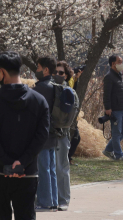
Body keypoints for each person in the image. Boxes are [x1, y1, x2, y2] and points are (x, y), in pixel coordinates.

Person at [0, 51, 49, 220]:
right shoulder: (40, 101)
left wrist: (7, 162)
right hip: (27, 172)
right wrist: (22, 161)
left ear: (2, 72)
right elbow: (41, 137)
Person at [33, 56, 59, 211]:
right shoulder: (56, 85)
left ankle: (44, 202)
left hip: (42, 134)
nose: (36, 70)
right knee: (51, 169)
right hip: (54, 132)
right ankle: (53, 201)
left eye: (38, 67)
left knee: (43, 169)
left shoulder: (41, 88)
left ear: (46, 69)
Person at [102, 55, 123, 162]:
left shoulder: (119, 75)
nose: (121, 64)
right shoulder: (109, 76)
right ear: (113, 64)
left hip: (122, 109)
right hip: (115, 110)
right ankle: (119, 155)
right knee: (116, 132)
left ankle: (108, 150)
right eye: (119, 62)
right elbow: (106, 94)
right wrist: (108, 108)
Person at [54, 60, 73, 211]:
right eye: (55, 72)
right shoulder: (49, 89)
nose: (58, 75)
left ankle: (63, 199)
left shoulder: (68, 92)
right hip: (47, 135)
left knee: (61, 168)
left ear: (66, 75)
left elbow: (71, 116)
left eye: (61, 73)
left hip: (61, 134)